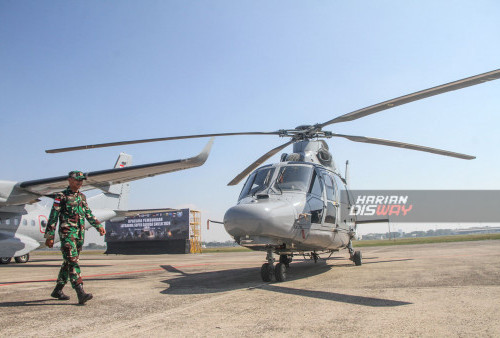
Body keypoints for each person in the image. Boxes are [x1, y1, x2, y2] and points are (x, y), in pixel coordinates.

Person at [44, 170, 106, 305]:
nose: (80, 182)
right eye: (77, 180)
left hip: (79, 234)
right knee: (73, 261)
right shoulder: (60, 196)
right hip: (67, 234)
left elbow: (88, 213)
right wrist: (49, 235)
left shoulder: (82, 197)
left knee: (68, 262)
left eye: (81, 180)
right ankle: (80, 291)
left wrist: (98, 226)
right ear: (69, 180)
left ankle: (57, 290)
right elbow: (53, 216)